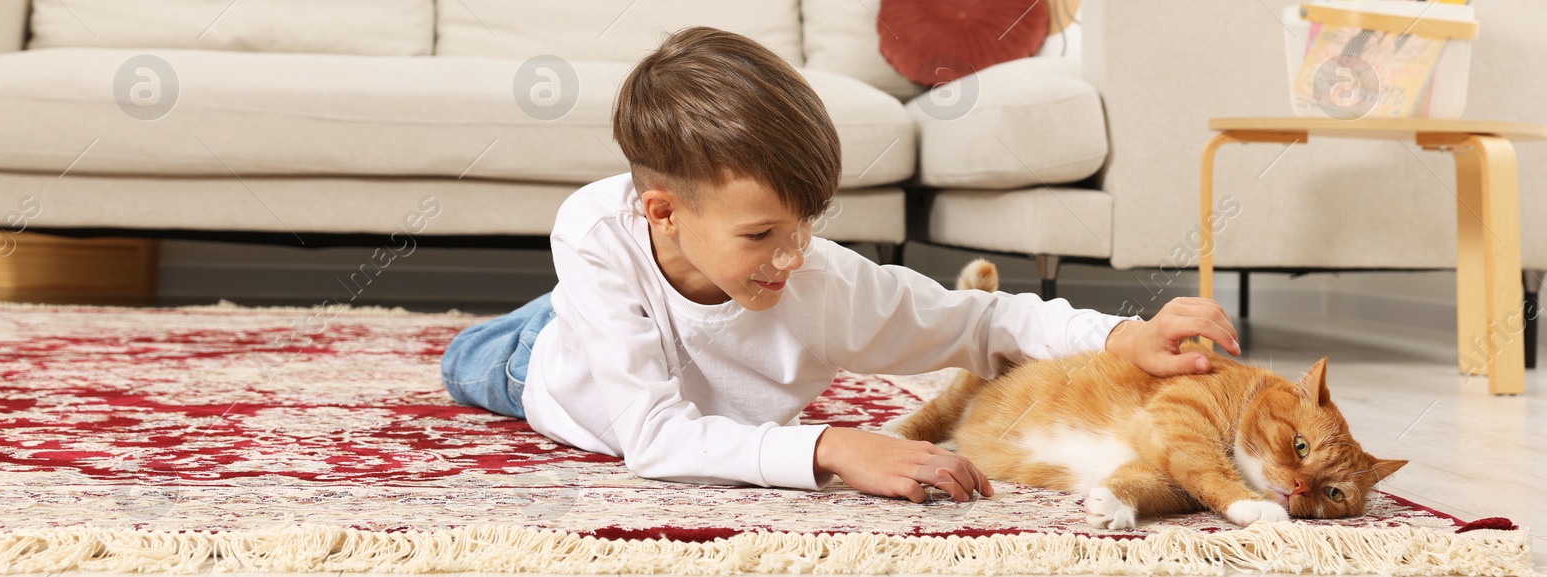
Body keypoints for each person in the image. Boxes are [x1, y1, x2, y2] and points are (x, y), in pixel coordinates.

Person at [441, 27, 1241, 504]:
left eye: (806, 226)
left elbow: (986, 322)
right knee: (460, 360)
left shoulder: (820, 279)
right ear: (662, 213)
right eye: (761, 235)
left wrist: (1123, 333)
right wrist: (830, 446)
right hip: (541, 368)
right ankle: (550, 315)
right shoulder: (593, 226)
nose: (792, 257)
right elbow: (652, 440)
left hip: (639, 303)